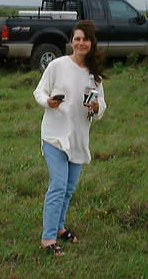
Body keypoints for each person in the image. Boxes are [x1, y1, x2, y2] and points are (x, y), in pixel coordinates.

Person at [33, 20, 107, 257]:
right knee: (57, 186)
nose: (81, 43)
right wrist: (49, 102)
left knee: (68, 188)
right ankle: (48, 238)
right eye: (77, 38)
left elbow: (102, 104)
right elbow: (39, 91)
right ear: (72, 42)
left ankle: (60, 227)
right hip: (54, 136)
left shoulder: (94, 75)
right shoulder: (57, 65)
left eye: (85, 39)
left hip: (78, 138)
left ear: (91, 43)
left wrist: (96, 108)